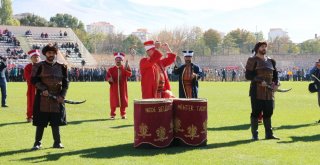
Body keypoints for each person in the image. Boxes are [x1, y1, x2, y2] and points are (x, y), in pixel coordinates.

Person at [30, 44, 69, 150]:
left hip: (57, 98)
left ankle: (57, 142)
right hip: (43, 98)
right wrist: (43, 89)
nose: (51, 54)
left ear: (55, 54)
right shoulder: (38, 66)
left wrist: (62, 95)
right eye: (49, 52)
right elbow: (34, 80)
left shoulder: (62, 67)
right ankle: (37, 143)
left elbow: (65, 83)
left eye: (53, 52)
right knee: (40, 122)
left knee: (56, 122)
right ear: (45, 54)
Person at [245, 41, 280, 140]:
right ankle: (254, 135)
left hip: (269, 92)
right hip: (256, 91)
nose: (264, 48)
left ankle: (269, 134)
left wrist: (276, 84)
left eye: (265, 47)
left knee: (269, 111)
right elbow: (248, 75)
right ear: (257, 48)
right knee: (256, 112)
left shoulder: (271, 61)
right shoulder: (252, 60)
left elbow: (275, 75)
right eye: (262, 47)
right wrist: (260, 81)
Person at [106, 52, 132, 119]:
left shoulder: (125, 67)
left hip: (122, 87)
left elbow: (129, 75)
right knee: (113, 101)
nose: (118, 60)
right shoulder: (111, 69)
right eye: (116, 59)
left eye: (119, 59)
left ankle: (123, 114)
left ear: (122, 60)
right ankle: (112, 114)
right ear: (115, 60)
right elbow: (107, 77)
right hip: (114, 88)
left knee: (123, 100)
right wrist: (109, 79)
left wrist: (126, 68)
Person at [24, 49, 41, 122]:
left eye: (37, 57)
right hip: (32, 88)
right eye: (34, 57)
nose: (36, 58)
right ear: (31, 58)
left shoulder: (42, 66)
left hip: (41, 88)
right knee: (31, 102)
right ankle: (30, 116)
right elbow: (28, 78)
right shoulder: (28, 67)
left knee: (41, 102)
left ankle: (39, 116)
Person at [309, 59, 320, 123]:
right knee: (319, 103)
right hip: (319, 89)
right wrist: (315, 66)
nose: (318, 63)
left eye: (319, 62)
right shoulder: (317, 70)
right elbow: (310, 73)